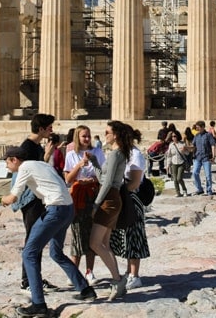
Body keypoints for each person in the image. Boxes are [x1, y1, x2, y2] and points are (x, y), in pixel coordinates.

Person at [0, 146, 96, 317]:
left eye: (7, 162)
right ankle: (85, 289)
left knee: (29, 253)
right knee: (56, 252)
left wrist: (2, 200)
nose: (7, 166)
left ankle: (38, 304)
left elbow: (13, 197)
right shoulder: (41, 164)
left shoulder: (24, 168)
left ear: (14, 159)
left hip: (55, 210)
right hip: (67, 208)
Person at [11, 113, 56, 292]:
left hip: (37, 197)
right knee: (32, 238)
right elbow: (28, 173)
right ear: (41, 129)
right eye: (49, 127)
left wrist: (47, 154)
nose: (52, 130)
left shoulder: (36, 146)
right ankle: (27, 281)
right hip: (29, 200)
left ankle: (34, 277)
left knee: (37, 239)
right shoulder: (27, 148)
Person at [90, 121, 132, 300]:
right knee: (104, 244)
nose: (104, 134)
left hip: (109, 199)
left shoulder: (116, 154)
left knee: (94, 242)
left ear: (115, 135)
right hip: (111, 197)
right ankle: (118, 281)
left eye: (107, 132)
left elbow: (107, 183)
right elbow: (103, 178)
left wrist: (96, 204)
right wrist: (94, 163)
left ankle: (118, 280)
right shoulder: (116, 154)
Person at [109, 125, 150, 291]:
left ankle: (135, 275)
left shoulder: (135, 154)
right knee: (125, 235)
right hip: (122, 196)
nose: (107, 135)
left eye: (109, 133)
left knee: (133, 235)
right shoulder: (123, 153)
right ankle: (128, 271)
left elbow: (134, 182)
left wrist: (121, 193)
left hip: (131, 198)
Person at [63, 125, 105, 285]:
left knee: (91, 234)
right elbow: (68, 179)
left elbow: (103, 175)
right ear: (77, 138)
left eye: (88, 136)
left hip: (93, 195)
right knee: (77, 234)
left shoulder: (98, 152)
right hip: (77, 197)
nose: (87, 139)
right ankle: (74, 273)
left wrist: (93, 179)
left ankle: (89, 272)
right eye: (83, 136)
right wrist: (80, 165)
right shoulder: (71, 155)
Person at [191, 120, 216, 196]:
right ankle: (199, 189)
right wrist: (186, 148)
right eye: (196, 127)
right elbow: (193, 146)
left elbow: (213, 145)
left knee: (208, 175)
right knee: (195, 173)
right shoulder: (196, 136)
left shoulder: (208, 135)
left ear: (202, 127)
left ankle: (209, 190)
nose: (197, 129)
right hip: (198, 157)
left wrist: (213, 156)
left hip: (206, 158)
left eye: (198, 127)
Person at [165, 130, 190, 197]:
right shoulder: (171, 145)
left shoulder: (182, 144)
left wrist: (184, 150)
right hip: (174, 163)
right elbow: (169, 156)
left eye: (175, 136)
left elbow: (187, 153)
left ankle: (184, 190)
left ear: (178, 136)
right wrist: (167, 165)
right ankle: (178, 192)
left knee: (179, 178)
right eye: (172, 136)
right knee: (175, 179)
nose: (173, 138)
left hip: (181, 162)